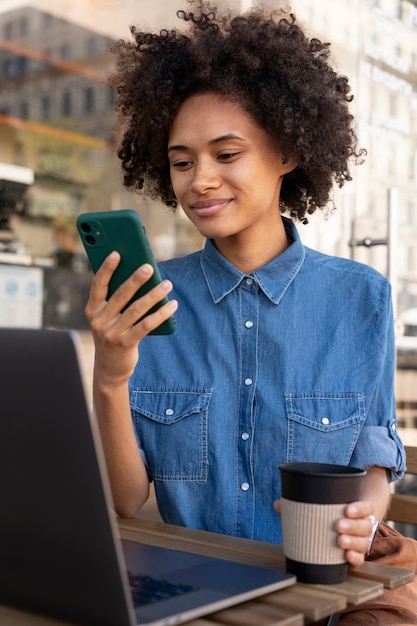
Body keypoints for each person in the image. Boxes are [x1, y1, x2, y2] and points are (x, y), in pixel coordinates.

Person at [85, 2, 417, 623]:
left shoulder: (360, 296)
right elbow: (128, 502)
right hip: (197, 595)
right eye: (182, 162)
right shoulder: (150, 300)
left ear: (288, 152)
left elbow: (375, 454)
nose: (200, 180)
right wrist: (110, 375)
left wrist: (365, 511)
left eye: (227, 154)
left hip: (321, 594)